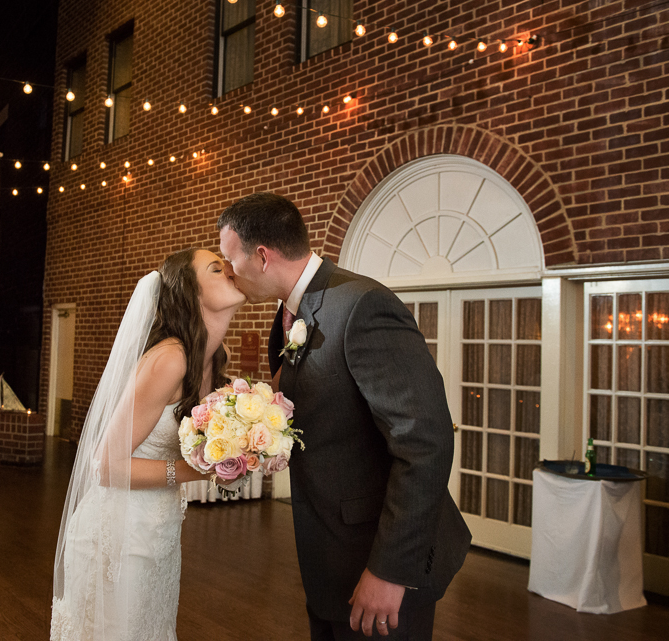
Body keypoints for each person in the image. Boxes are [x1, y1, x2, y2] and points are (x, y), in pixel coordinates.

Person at [218, 193, 471, 640]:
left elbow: (424, 441)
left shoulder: (362, 305)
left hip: (380, 563)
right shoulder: (290, 312)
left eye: (228, 259)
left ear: (261, 256)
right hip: (330, 556)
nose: (227, 272)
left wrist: (390, 570)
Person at [50, 248, 246, 641]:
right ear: (191, 293)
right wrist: (201, 470)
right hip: (118, 534)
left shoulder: (215, 358)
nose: (228, 268)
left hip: (160, 526)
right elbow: (105, 465)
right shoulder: (171, 359)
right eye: (215, 266)